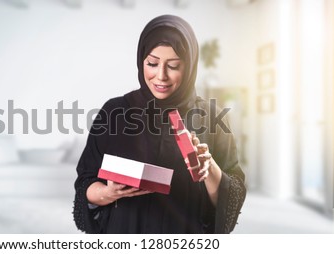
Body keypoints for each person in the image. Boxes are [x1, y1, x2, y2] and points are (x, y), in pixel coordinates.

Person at [73, 14, 246, 234]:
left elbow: (232, 198)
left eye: (173, 66)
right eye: (152, 64)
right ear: (141, 61)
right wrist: (109, 193)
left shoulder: (213, 117)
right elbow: (85, 183)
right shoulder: (114, 111)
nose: (161, 76)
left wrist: (209, 168)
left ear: (190, 65)